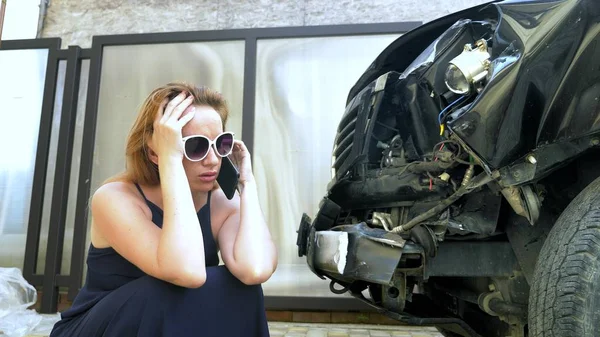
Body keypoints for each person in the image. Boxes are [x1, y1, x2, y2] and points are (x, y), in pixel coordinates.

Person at [49, 82, 277, 337]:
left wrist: (247, 184)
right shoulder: (115, 199)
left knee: (241, 287)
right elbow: (185, 271)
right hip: (98, 327)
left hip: (171, 325)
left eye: (221, 144)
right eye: (195, 146)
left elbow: (255, 270)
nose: (213, 159)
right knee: (166, 288)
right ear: (154, 152)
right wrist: (169, 160)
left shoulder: (220, 202)